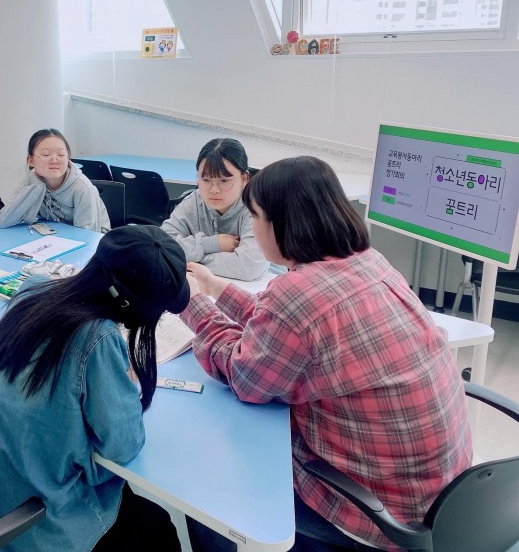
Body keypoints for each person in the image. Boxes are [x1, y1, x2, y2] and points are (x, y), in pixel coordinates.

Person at [181, 157, 471, 552]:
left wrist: (193, 305)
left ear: (283, 223)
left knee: (206, 477)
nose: (252, 227)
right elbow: (285, 326)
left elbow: (245, 378)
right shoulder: (369, 262)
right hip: (444, 500)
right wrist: (216, 288)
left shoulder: (296, 296)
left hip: (378, 515)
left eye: (256, 217)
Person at [0, 225, 187, 551]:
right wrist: (125, 382)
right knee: (158, 526)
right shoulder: (98, 340)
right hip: (26, 525)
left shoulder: (32, 291)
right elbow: (123, 446)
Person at [162, 138, 268, 281]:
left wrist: (186, 258)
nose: (214, 190)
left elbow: (248, 267)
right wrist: (212, 244)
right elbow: (160, 245)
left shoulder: (255, 207)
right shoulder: (195, 201)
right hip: (203, 284)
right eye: (206, 180)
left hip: (258, 286)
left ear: (244, 179)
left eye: (224, 181)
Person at [0, 128, 110, 233]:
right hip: (53, 237)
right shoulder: (32, 179)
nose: (54, 160)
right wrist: (38, 186)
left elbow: (88, 235)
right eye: (46, 154)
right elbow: (4, 220)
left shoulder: (83, 188)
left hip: (92, 242)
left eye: (61, 154)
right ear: (30, 160)